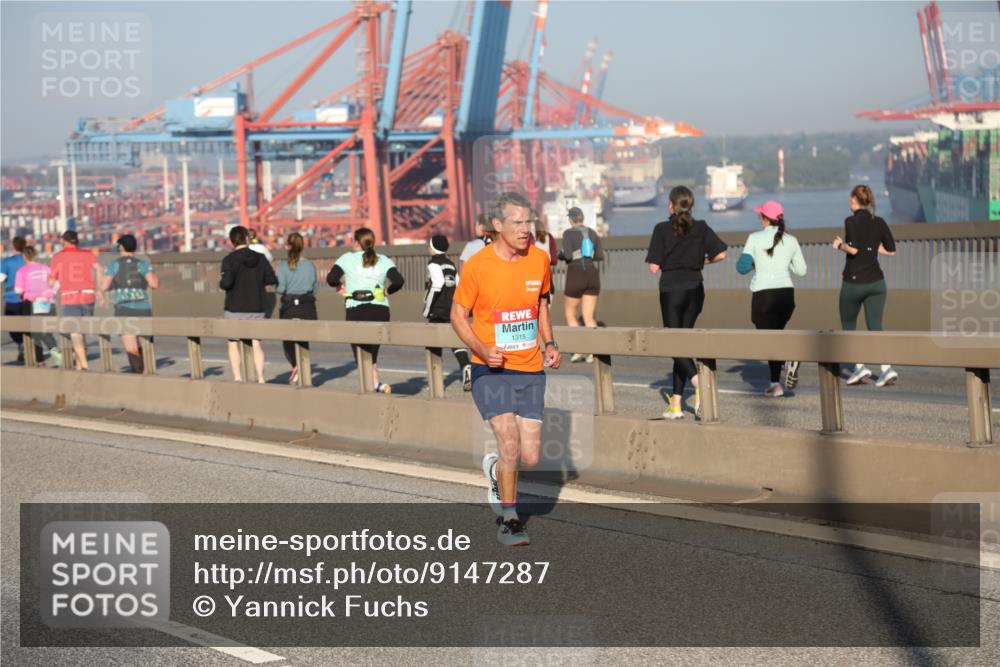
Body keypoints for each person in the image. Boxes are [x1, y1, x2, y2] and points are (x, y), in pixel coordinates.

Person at [451, 191, 561, 547]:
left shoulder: (540, 260)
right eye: (518, 223)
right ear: (497, 226)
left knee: (529, 456)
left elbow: (541, 304)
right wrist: (482, 348)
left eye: (529, 222)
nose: (526, 229)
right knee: (510, 442)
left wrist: (551, 343)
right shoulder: (478, 266)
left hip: (530, 369)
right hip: (491, 369)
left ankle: (497, 471)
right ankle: (510, 518)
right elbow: (457, 315)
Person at [645, 185, 727, 419]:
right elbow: (721, 254)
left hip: (672, 291)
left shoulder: (661, 229)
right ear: (690, 205)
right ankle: (677, 405)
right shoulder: (701, 227)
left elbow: (653, 268)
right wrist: (700, 262)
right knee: (683, 342)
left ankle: (699, 382)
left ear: (671, 204)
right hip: (695, 290)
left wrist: (667, 260)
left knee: (674, 342)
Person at [736, 200, 807, 397]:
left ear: (766, 218)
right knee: (776, 336)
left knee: (768, 340)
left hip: (764, 295)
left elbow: (741, 268)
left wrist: (757, 263)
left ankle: (786, 363)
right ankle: (775, 384)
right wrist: (785, 263)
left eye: (760, 215)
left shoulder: (754, 238)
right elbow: (801, 271)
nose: (759, 219)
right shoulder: (791, 240)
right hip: (786, 295)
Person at [833, 184, 898, 387]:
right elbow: (892, 250)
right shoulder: (878, 221)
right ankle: (886, 369)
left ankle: (859, 367)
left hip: (854, 283)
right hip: (877, 282)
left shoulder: (850, 221)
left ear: (854, 200)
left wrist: (839, 245)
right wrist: (872, 249)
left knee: (849, 325)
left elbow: (853, 250)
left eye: (850, 199)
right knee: (876, 326)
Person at [327, 227, 405, 393]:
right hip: (380, 311)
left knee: (361, 355)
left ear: (356, 242)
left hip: (357, 309)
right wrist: (386, 292)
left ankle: (371, 390)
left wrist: (340, 287)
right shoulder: (383, 259)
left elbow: (331, 279)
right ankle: (378, 385)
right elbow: (398, 281)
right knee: (371, 354)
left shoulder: (347, 258)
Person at [220, 225, 277, 383]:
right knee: (256, 342)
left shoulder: (228, 260)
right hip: (256, 306)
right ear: (247, 238)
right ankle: (260, 377)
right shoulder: (260, 258)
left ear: (231, 242)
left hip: (234, 308)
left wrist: (222, 281)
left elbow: (227, 283)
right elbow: (271, 279)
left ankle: (238, 378)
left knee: (233, 343)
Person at [101, 234, 159, 373]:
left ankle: (138, 373)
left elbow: (104, 286)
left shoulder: (114, 264)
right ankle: (146, 368)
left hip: (124, 309)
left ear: (121, 247)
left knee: (130, 345)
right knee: (144, 342)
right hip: (143, 308)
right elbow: (154, 284)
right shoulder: (143, 264)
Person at [423, 234, 473, 391]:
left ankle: (436, 384)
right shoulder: (451, 265)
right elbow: (459, 285)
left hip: (437, 310)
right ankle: (466, 365)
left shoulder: (433, 264)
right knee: (454, 341)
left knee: (433, 345)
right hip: (451, 309)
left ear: (433, 248)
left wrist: (427, 308)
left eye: (429, 245)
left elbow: (436, 285)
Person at [49, 230, 102, 371]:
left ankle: (84, 364)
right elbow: (99, 269)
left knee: (74, 332)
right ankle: (79, 367)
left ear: (63, 241)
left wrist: (52, 284)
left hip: (70, 296)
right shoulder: (88, 254)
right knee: (81, 330)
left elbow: (51, 281)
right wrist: (100, 290)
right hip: (89, 295)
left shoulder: (57, 257)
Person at [560, 206, 603, 363]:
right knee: (589, 317)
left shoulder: (568, 233)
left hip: (575, 274)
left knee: (571, 314)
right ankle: (593, 351)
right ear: (582, 218)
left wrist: (561, 254)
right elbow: (599, 256)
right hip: (592, 273)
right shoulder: (592, 233)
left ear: (571, 219)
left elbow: (568, 255)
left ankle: (578, 350)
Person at [276, 232, 317, 384]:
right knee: (303, 341)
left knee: (288, 342)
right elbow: (314, 288)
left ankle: (295, 366)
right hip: (307, 306)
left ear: (287, 246)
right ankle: (302, 369)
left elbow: (281, 289)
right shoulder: (310, 265)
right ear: (302, 246)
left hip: (290, 307)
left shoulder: (283, 266)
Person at [13, 245, 60, 366]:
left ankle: (40, 360)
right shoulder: (45, 268)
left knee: (34, 334)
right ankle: (57, 354)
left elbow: (18, 290)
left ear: (24, 257)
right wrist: (50, 294)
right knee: (46, 333)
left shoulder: (21, 271)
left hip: (31, 303)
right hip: (48, 302)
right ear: (35, 255)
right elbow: (57, 283)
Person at [1, 237, 27, 362]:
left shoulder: (7, 262)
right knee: (33, 327)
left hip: (12, 298)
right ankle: (53, 352)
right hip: (29, 298)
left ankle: (21, 344)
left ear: (13, 246)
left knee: (12, 326)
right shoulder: (29, 260)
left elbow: (0, 279)